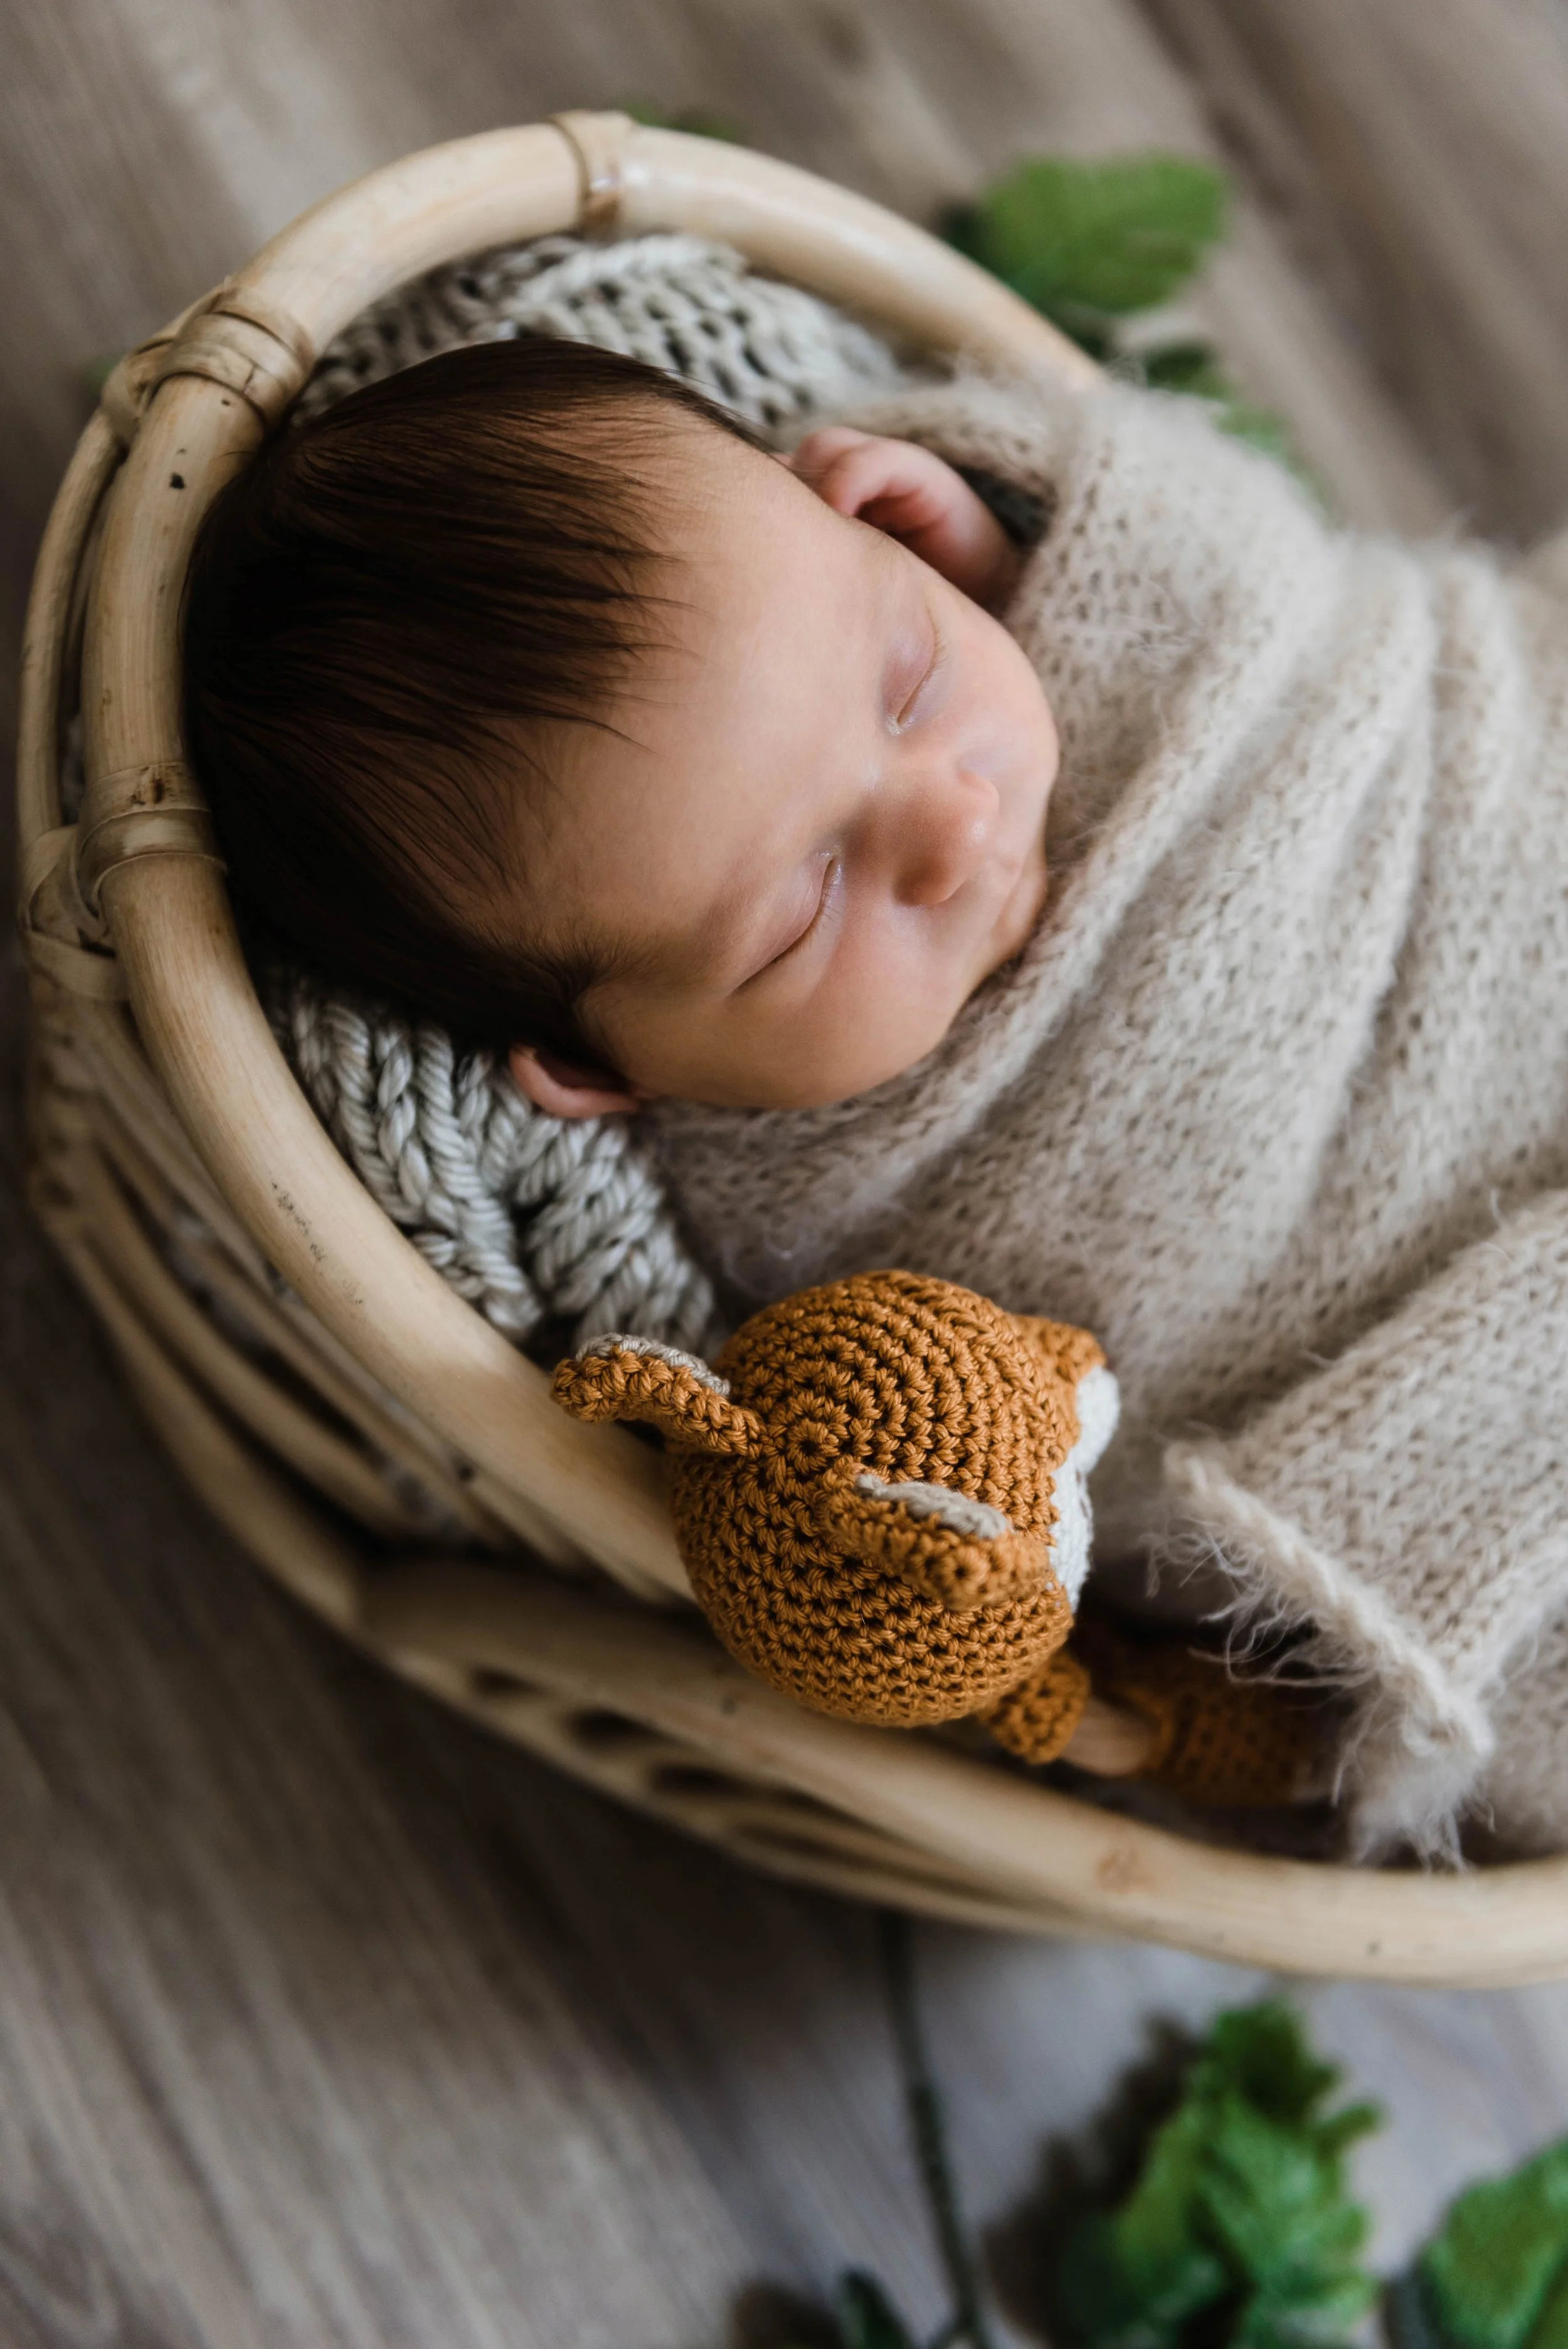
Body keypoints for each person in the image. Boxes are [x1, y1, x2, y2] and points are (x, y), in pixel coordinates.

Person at [184, 331, 1568, 1860]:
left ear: (875, 526)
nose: (950, 819)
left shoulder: (1063, 630)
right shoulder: (793, 1228)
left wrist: (1001, 533)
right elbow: (978, 1480)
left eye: (906, 675)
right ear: (601, 1073)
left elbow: (1258, 597)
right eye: (802, 909)